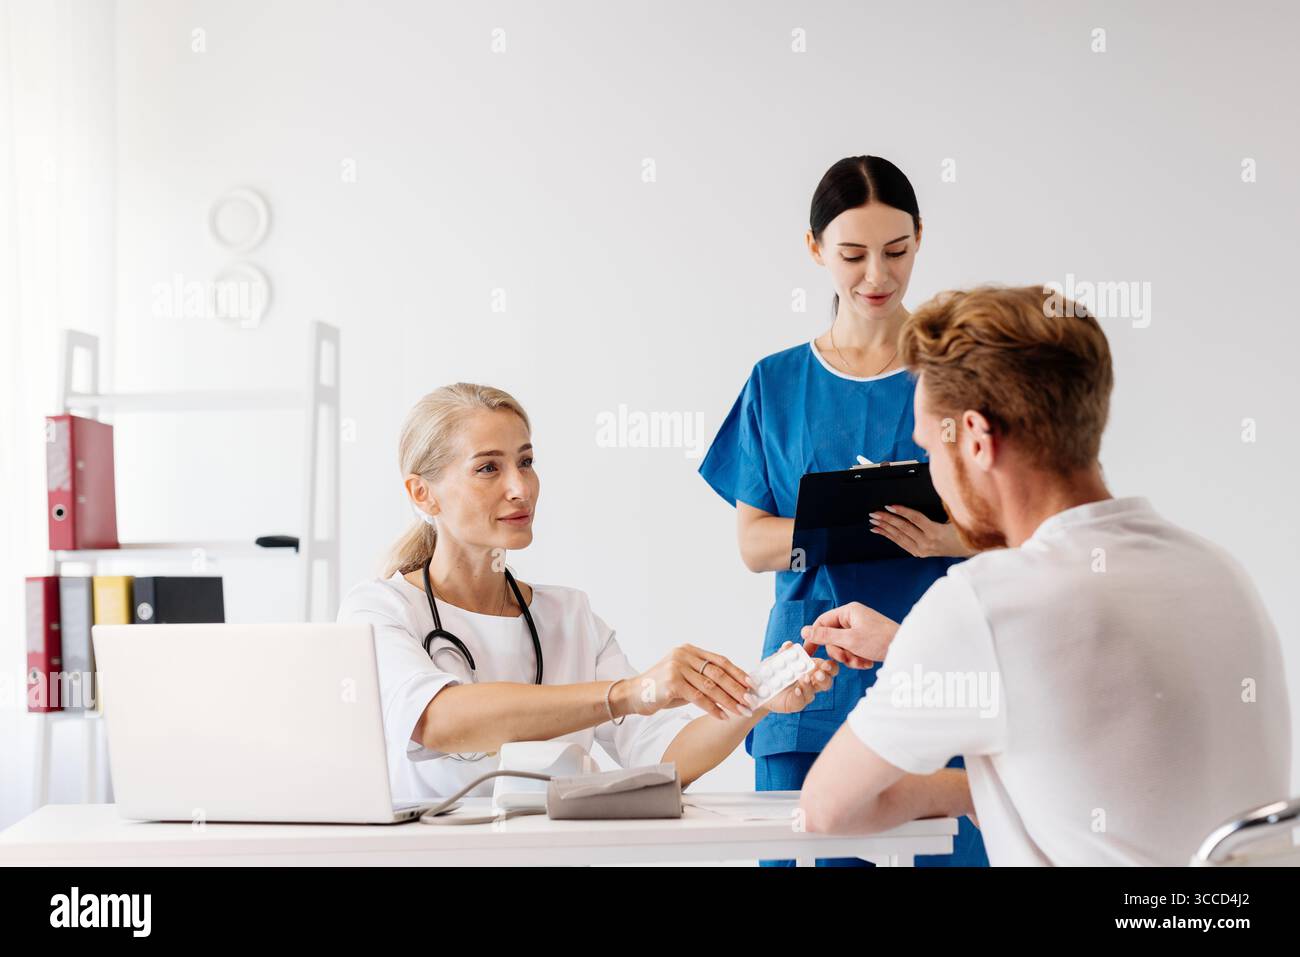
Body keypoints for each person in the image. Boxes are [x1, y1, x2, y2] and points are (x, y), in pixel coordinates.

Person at [798, 285, 1292, 866]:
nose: (932, 474)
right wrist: (910, 647)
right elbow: (1098, 693)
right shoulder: (1217, 571)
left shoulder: (983, 606)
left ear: (978, 441)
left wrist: (960, 791)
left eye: (929, 449)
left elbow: (825, 810)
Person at [338, 382, 837, 802]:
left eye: (526, 461)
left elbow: (661, 759)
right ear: (421, 493)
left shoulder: (568, 615)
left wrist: (757, 699)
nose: (521, 488)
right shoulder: (379, 611)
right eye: (488, 468)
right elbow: (438, 720)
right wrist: (626, 694)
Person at [698, 155, 986, 866]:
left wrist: (944, 537)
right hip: (808, 684)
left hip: (935, 677)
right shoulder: (777, 382)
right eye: (853, 255)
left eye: (896, 252)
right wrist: (843, 522)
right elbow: (754, 543)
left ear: (921, 237)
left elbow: (1022, 531)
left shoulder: (962, 374)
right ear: (815, 249)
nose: (877, 277)